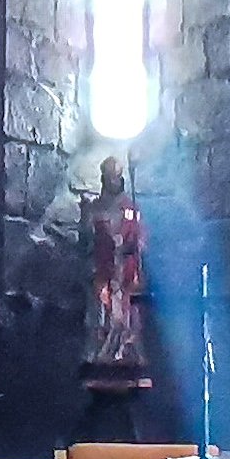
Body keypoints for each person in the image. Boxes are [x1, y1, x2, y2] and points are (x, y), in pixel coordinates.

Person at [80, 157, 150, 379]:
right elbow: (85, 240)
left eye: (117, 176)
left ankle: (124, 353)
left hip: (125, 274)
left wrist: (133, 245)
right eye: (109, 176)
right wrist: (85, 217)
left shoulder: (131, 207)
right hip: (104, 271)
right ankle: (101, 355)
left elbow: (140, 238)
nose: (113, 180)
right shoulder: (95, 208)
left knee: (125, 317)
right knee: (102, 316)